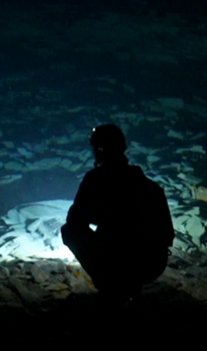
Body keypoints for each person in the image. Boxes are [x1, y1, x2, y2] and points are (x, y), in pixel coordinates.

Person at [60, 123, 173, 302]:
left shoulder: (95, 180)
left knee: (69, 231)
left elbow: (74, 222)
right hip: (152, 265)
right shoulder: (150, 186)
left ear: (99, 150)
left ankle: (109, 284)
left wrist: (102, 218)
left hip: (115, 260)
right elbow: (167, 236)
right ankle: (129, 284)